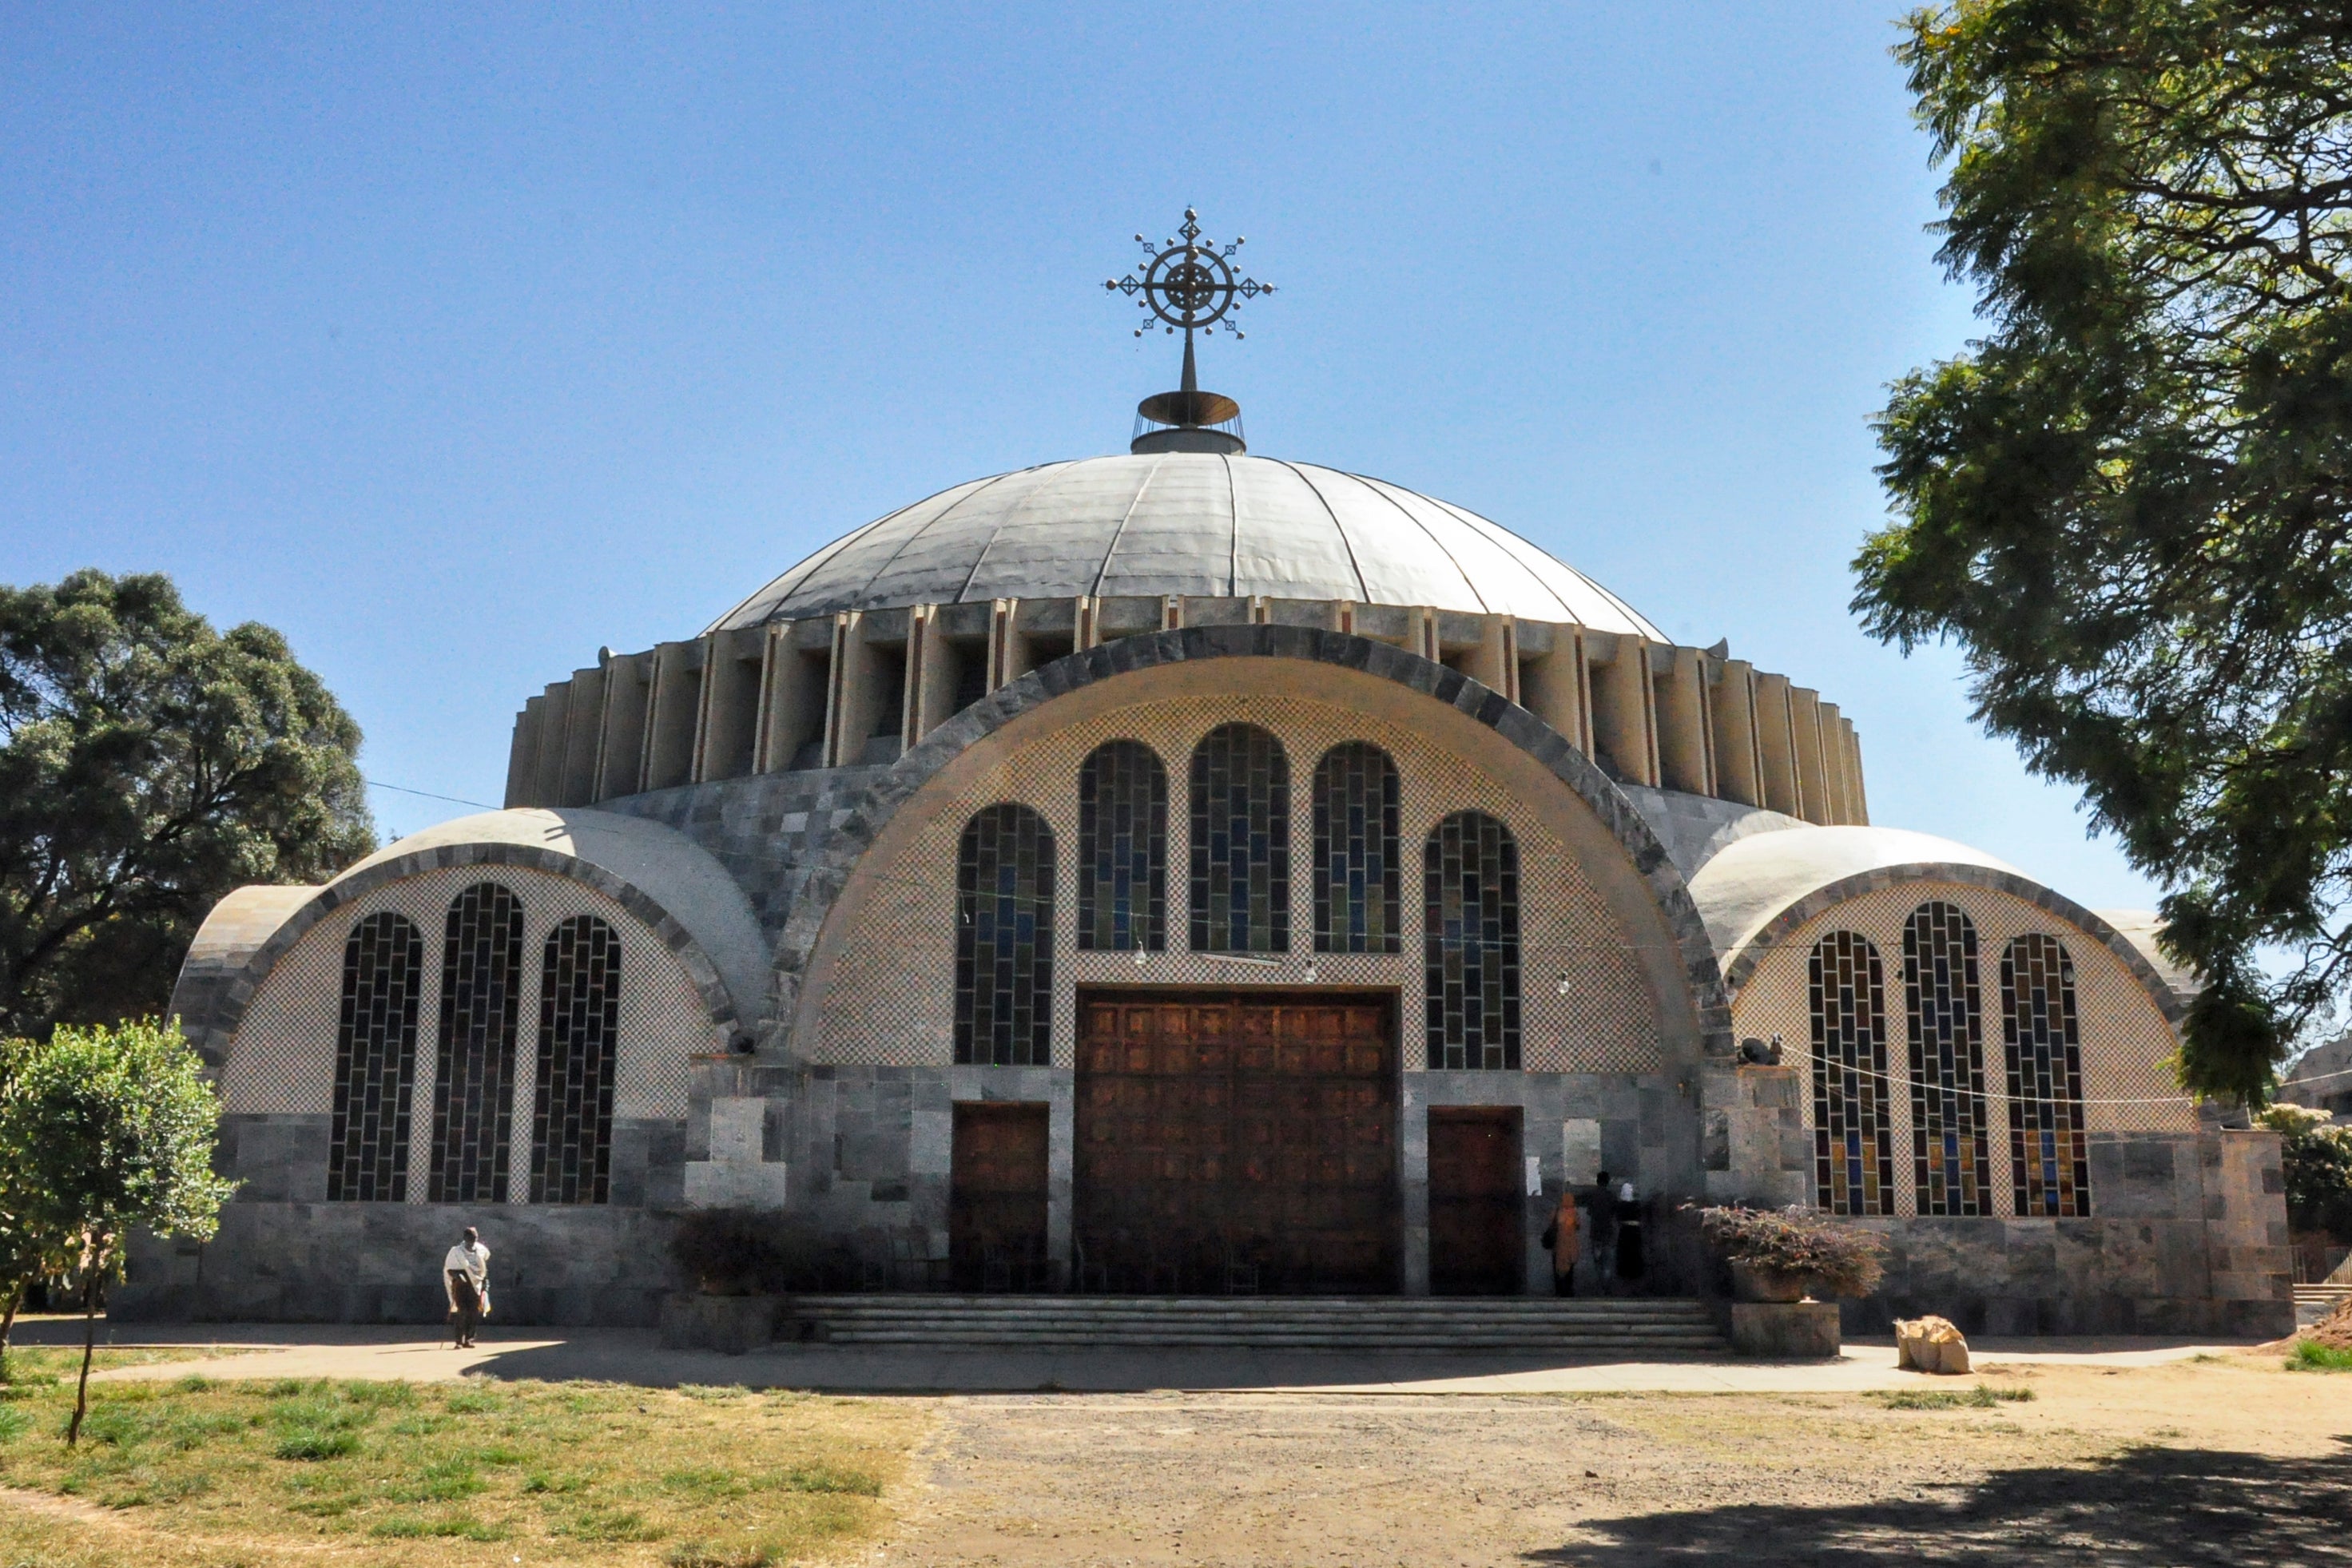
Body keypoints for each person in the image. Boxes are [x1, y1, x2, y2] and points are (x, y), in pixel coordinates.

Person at [443, 1227, 491, 1348]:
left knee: (473, 1312)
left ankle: (469, 1339)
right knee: (462, 1312)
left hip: (476, 1285)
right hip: (461, 1285)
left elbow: (484, 1270)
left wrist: (485, 1285)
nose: (473, 1240)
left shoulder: (481, 1250)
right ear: (465, 1238)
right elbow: (449, 1269)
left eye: (475, 1238)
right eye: (470, 1237)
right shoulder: (456, 1252)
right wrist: (458, 1276)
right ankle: (459, 1341)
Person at [1539, 1185, 1581, 1296]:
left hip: (1558, 1245)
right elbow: (1578, 1226)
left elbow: (1551, 1222)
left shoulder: (1557, 1211)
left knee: (1557, 1268)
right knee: (1570, 1269)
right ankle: (1568, 1290)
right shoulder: (1574, 1213)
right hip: (1571, 1246)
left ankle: (1559, 1290)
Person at [1587, 1169, 1619, 1290]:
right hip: (1608, 1232)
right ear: (1608, 1182)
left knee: (1597, 1261)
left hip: (1595, 1233)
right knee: (1607, 1262)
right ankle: (1606, 1288)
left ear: (1597, 1181)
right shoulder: (1611, 1196)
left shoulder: (1593, 1195)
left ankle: (1599, 1287)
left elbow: (1589, 1211)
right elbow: (1615, 1212)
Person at [1614, 1180, 1646, 1284]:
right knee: (1635, 1251)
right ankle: (1636, 1272)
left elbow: (1618, 1218)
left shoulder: (1621, 1205)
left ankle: (1625, 1272)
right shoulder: (1637, 1204)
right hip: (1635, 1230)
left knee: (1625, 1251)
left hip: (1625, 1230)